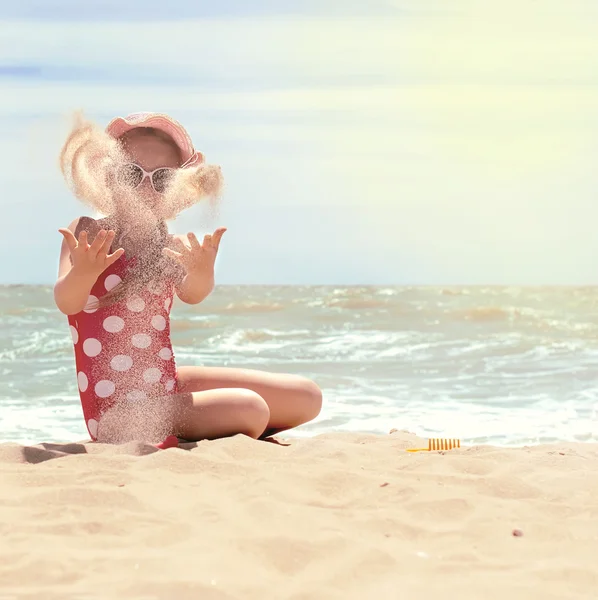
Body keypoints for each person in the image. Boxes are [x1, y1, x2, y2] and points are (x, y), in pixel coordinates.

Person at [54, 112, 322, 446]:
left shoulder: (171, 247)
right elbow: (67, 301)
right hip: (119, 416)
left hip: (163, 387)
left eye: (162, 178)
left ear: (177, 189)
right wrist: (84, 273)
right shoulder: (89, 234)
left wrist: (202, 271)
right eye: (131, 173)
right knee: (250, 409)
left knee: (307, 397)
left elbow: (193, 294)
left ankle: (206, 425)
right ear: (109, 177)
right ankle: (216, 424)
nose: (145, 186)